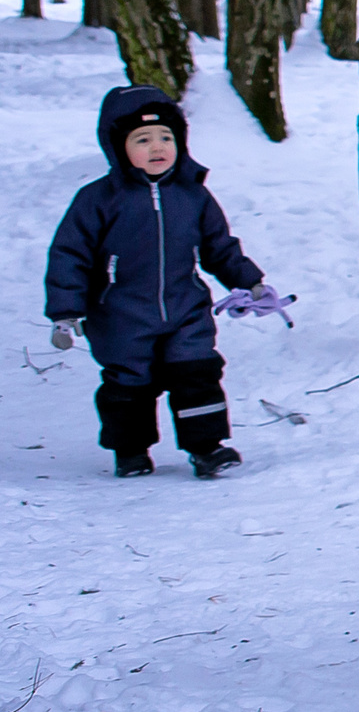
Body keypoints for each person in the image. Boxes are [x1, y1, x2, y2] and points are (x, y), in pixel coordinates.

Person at [44, 86, 277, 479]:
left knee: (198, 373)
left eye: (166, 137)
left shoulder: (193, 195)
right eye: (143, 139)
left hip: (185, 308)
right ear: (119, 147)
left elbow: (219, 247)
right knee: (129, 384)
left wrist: (251, 283)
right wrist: (66, 314)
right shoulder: (98, 200)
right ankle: (130, 451)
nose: (157, 147)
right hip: (120, 314)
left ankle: (207, 447)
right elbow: (70, 256)